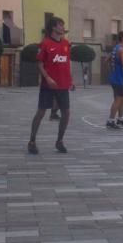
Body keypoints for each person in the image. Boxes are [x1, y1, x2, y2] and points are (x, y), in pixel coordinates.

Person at [28, 17, 72, 154]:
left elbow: (66, 63)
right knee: (41, 112)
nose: (62, 27)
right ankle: (32, 141)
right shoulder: (45, 43)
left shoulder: (66, 43)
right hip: (48, 85)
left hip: (63, 85)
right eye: (60, 25)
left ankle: (59, 141)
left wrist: (70, 80)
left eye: (63, 25)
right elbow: (40, 64)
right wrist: (47, 78)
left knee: (66, 113)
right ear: (53, 27)